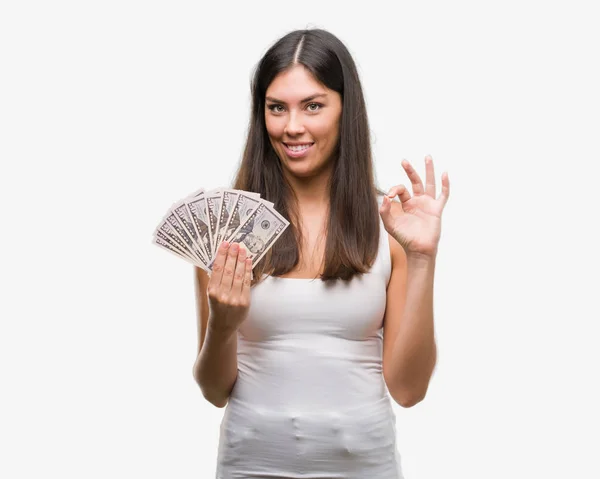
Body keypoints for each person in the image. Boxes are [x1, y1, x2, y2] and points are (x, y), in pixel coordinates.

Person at [192, 28, 450, 479]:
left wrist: (424, 257)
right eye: (277, 108)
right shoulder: (224, 230)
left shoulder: (388, 227)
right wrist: (223, 324)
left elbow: (408, 390)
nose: (293, 126)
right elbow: (215, 390)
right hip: (251, 467)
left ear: (344, 110)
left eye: (313, 105)